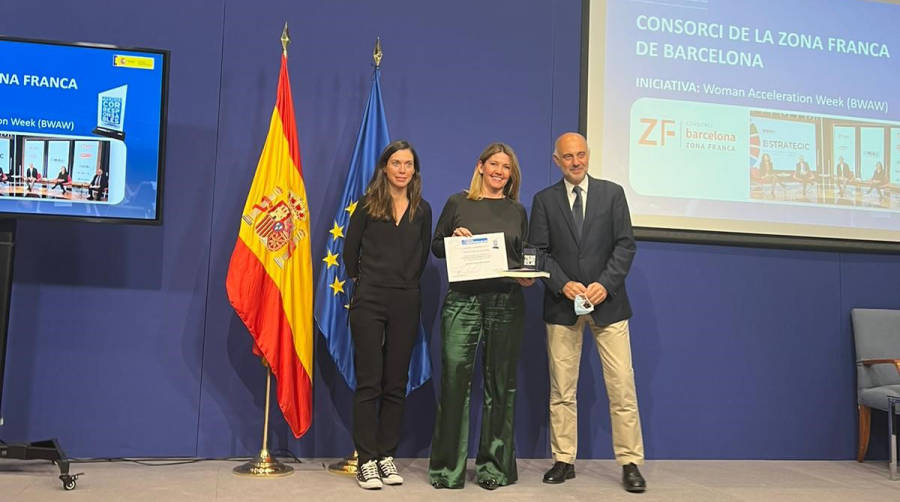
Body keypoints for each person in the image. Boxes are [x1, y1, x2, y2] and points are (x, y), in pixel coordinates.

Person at [529, 132, 646, 493]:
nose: (576, 162)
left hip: (609, 304)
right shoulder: (544, 200)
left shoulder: (613, 194)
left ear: (588, 155)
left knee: (622, 387)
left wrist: (604, 284)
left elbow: (625, 245)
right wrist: (562, 284)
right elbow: (537, 251)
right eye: (568, 157)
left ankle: (630, 462)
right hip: (562, 306)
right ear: (556, 160)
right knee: (562, 389)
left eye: (580, 155)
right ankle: (564, 460)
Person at [428, 142, 533, 491]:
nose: (499, 171)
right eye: (494, 164)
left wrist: (527, 276)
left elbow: (525, 257)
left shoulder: (517, 210)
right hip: (463, 301)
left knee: (500, 386)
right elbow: (436, 246)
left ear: (511, 174)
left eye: (506, 167)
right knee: (455, 382)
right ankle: (448, 470)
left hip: (506, 302)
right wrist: (453, 239)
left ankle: (495, 468)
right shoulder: (458, 202)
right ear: (480, 166)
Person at [344, 140, 432, 490]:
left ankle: (385, 456)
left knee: (395, 383)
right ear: (385, 167)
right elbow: (351, 255)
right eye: (396, 163)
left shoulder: (422, 210)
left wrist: (403, 283)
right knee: (370, 382)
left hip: (406, 300)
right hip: (369, 299)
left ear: (414, 170)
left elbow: (423, 254)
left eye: (408, 164)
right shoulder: (367, 206)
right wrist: (372, 283)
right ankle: (365, 460)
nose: (402, 170)